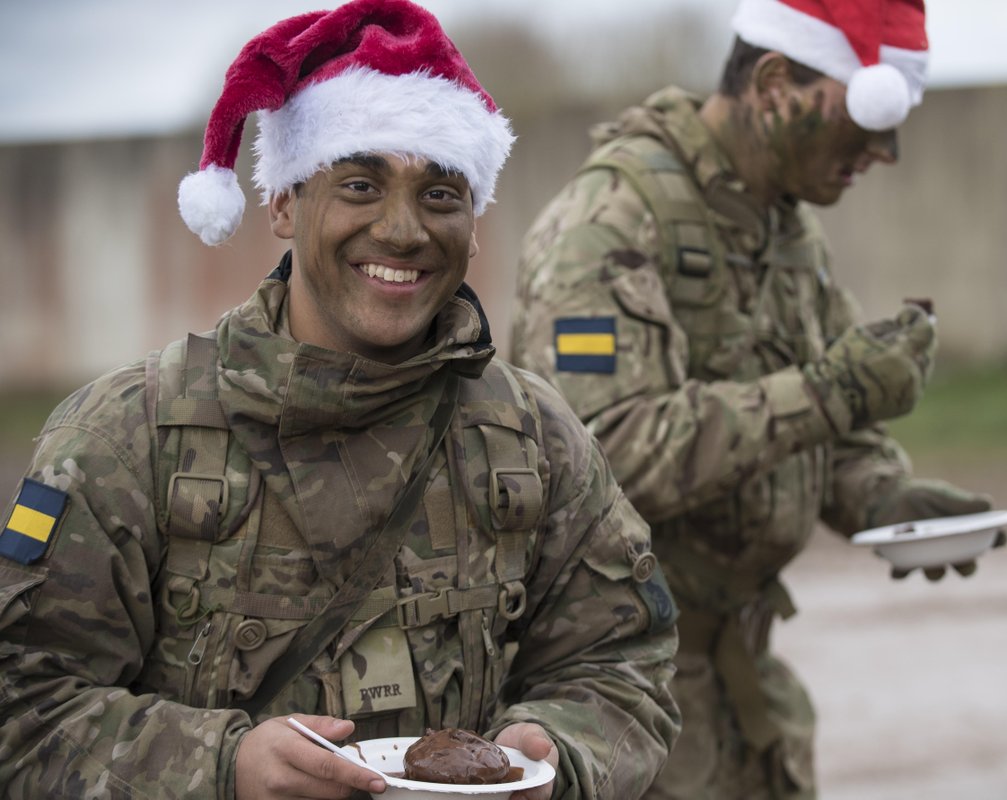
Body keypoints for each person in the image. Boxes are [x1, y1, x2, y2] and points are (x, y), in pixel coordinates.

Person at [0, 2, 680, 798]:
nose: (403, 230)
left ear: (474, 223)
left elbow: (623, 663)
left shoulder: (534, 436)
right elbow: (24, 709)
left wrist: (557, 754)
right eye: (360, 184)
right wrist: (222, 768)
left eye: (440, 193)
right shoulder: (128, 438)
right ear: (285, 203)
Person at [508, 0, 997, 798]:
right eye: (868, 119)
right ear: (774, 83)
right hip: (619, 701)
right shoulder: (609, 223)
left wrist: (883, 497)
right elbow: (603, 451)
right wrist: (834, 390)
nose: (885, 152)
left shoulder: (786, 228)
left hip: (738, 682)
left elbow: (823, 426)